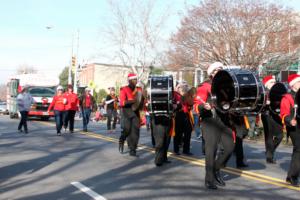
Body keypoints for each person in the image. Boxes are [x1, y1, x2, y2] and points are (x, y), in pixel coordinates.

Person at [196, 62, 235, 190]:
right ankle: (209, 179)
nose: (219, 71)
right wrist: (204, 106)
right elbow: (198, 102)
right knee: (211, 150)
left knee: (229, 147)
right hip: (210, 120)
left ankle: (216, 169)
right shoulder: (205, 86)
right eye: (217, 69)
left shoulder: (228, 86)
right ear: (212, 73)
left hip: (224, 120)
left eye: (221, 69)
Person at [280, 74, 300, 187]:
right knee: (299, 149)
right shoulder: (287, 98)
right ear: (293, 85)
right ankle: (293, 176)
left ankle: (291, 175)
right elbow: (284, 113)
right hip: (294, 127)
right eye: (299, 82)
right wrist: (289, 120)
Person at [119, 73, 143, 157]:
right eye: (134, 79)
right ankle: (122, 138)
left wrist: (142, 102)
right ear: (129, 80)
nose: (135, 81)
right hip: (127, 112)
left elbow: (141, 101)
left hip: (135, 112)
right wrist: (132, 101)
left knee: (135, 132)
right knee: (127, 130)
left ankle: (133, 149)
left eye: (136, 79)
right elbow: (122, 102)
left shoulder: (139, 89)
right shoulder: (124, 89)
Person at [261, 75, 283, 164]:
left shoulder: (278, 92)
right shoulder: (263, 92)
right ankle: (269, 157)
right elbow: (258, 104)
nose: (273, 84)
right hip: (266, 115)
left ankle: (270, 151)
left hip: (276, 115)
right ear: (266, 84)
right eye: (271, 82)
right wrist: (265, 103)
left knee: (280, 136)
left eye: (274, 82)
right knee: (269, 136)